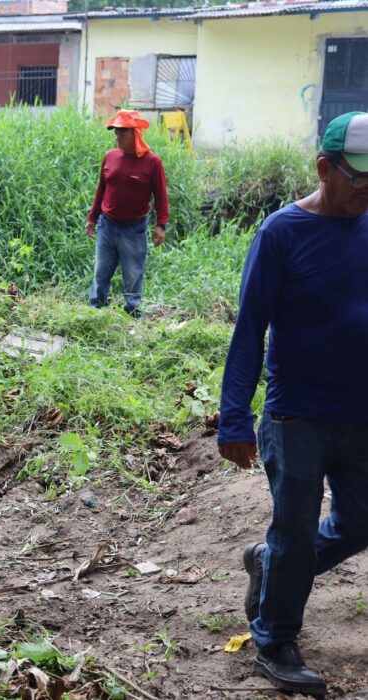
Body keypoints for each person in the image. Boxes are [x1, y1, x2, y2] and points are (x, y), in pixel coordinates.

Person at [218, 111, 368, 696]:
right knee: (297, 528)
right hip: (297, 412)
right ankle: (275, 639)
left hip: (363, 411)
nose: (366, 189)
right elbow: (249, 327)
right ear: (324, 168)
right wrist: (233, 416)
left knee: (360, 522)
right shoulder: (281, 233)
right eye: (357, 178)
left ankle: (270, 563)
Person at [86, 109, 170, 317]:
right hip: (107, 226)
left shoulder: (152, 162)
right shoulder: (110, 157)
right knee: (101, 272)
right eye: (116, 132)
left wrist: (161, 225)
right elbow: (101, 190)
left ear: (135, 133)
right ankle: (96, 310)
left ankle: (132, 312)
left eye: (123, 132)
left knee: (133, 274)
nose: (118, 136)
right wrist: (92, 218)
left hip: (133, 229)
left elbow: (161, 196)